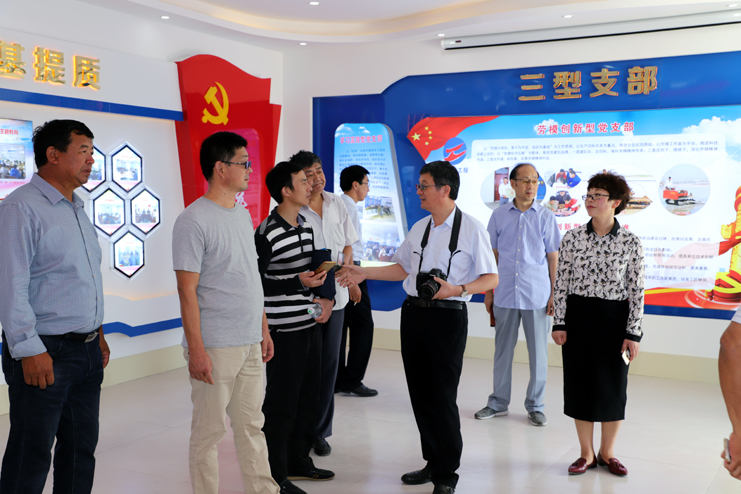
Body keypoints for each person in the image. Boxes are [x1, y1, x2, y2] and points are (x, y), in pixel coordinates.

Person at [338, 160, 498, 494]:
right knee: (420, 394)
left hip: (448, 317)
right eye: (419, 186)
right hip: (413, 314)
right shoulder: (420, 227)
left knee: (442, 396)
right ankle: (432, 462)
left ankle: (446, 475)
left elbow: (491, 278)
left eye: (424, 185)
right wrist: (364, 272)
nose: (419, 191)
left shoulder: (471, 229)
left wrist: (458, 289)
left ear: (445, 189)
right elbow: (402, 268)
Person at [0, 119, 109, 494]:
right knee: (30, 456)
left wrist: (98, 333)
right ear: (53, 154)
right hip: (45, 352)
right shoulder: (20, 208)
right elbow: (11, 285)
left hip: (87, 351)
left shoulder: (76, 208)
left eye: (92, 152)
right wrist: (29, 350)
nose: (91, 160)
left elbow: (84, 278)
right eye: (83, 151)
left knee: (80, 451)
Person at [172, 131, 279, 494]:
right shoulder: (193, 220)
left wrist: (263, 328)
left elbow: (250, 276)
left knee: (251, 426)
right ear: (220, 168)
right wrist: (197, 350)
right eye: (244, 163)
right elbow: (186, 290)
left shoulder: (241, 213)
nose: (250, 170)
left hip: (249, 340)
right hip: (216, 345)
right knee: (209, 432)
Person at [551, 172, 644, 477]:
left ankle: (608, 453)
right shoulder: (572, 238)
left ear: (615, 202)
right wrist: (559, 322)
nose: (590, 200)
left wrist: (633, 333)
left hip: (615, 322)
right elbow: (561, 283)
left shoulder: (631, 242)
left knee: (613, 387)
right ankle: (586, 454)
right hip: (578, 319)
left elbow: (637, 290)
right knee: (580, 385)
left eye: (597, 195)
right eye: (588, 195)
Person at [256, 161, 335, 494]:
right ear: (286, 191)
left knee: (308, 397)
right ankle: (275, 473)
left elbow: (310, 275)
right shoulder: (266, 232)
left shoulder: (306, 225)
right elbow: (256, 283)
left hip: (308, 323)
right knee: (281, 402)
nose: (310, 185)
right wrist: (297, 281)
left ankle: (299, 460)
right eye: (303, 181)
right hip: (281, 330)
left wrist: (323, 294)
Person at [476, 163, 559, 426]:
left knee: (538, 355)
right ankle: (498, 403)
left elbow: (553, 258)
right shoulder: (499, 215)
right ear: (512, 183)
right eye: (525, 180)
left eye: (535, 181)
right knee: (502, 352)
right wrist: (489, 292)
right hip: (504, 293)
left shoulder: (546, 217)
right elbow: (492, 256)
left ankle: (536, 406)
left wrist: (554, 294)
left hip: (537, 294)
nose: (531, 185)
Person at [289, 150, 358, 457]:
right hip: (307, 299)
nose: (316, 178)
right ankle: (299, 429)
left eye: (318, 171)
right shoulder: (295, 207)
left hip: (337, 299)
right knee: (306, 363)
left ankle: (319, 431)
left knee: (329, 365)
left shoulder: (337, 203)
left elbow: (347, 245)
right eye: (309, 174)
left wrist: (349, 277)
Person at [337, 165, 378, 397]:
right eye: (366, 184)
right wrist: (352, 280)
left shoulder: (338, 204)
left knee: (342, 325)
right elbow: (348, 246)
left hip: (343, 271)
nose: (368, 189)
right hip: (352, 271)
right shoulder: (349, 208)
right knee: (363, 326)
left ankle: (336, 379)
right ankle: (352, 380)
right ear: (355, 185)